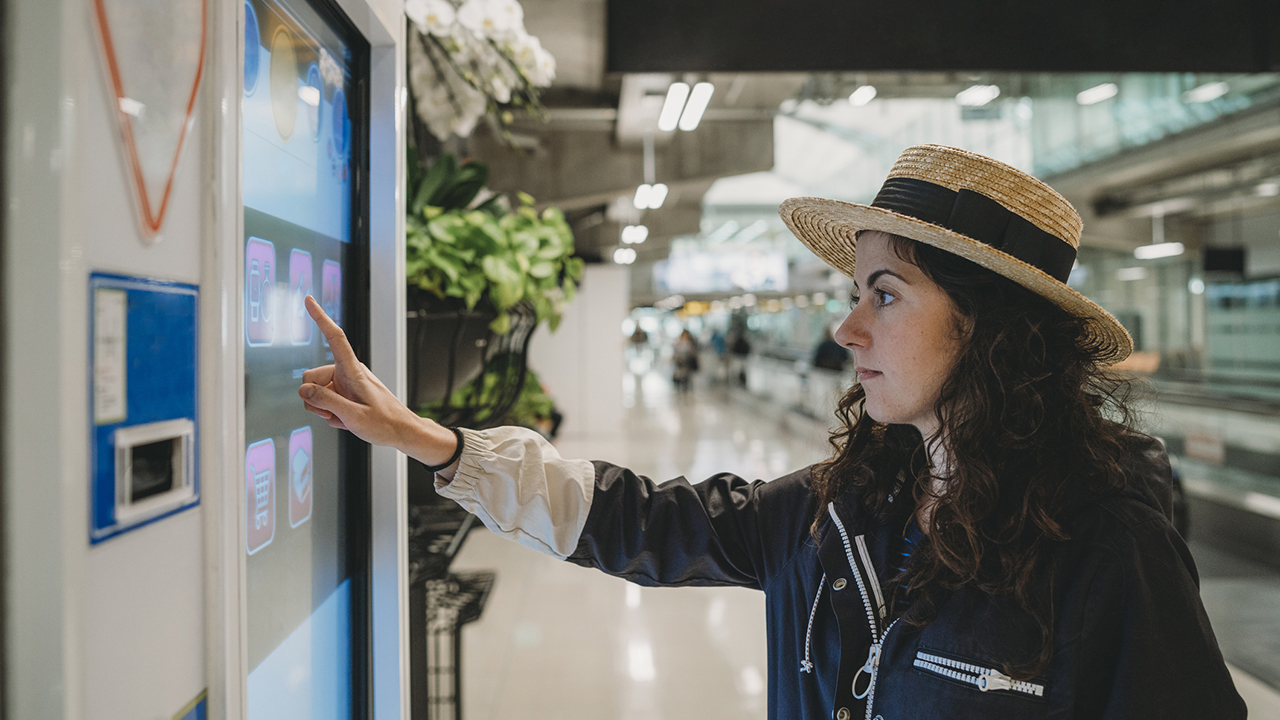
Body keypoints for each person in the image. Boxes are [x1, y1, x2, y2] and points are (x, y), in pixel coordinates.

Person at [297, 145, 1244, 720]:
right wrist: (436, 443)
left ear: (992, 328)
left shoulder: (1104, 544)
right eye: (852, 294)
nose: (848, 329)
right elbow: (656, 523)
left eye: (886, 295)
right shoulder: (853, 506)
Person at [672, 328, 699, 392]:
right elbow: (676, 351)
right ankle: (679, 385)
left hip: (687, 360)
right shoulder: (679, 342)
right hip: (680, 360)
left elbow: (694, 351)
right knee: (679, 373)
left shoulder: (691, 342)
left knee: (687, 374)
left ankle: (686, 386)